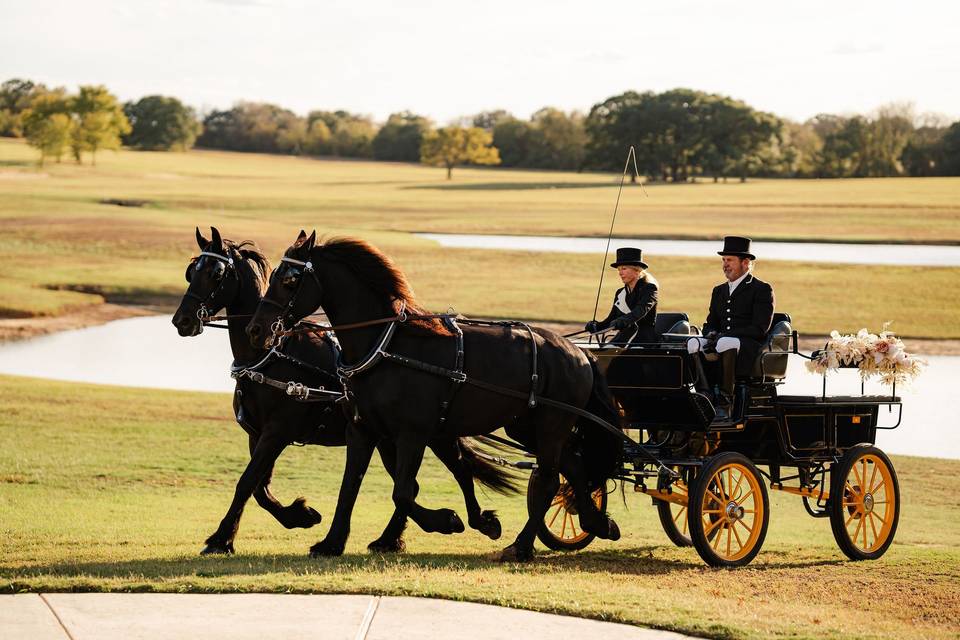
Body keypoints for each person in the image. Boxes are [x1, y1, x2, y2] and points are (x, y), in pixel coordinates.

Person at [688, 236, 775, 418]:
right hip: (722, 340)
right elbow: (711, 321)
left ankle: (725, 400)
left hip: (748, 346)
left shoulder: (761, 289)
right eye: (723, 260)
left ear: (745, 263)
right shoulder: (718, 290)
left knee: (725, 342)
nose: (725, 265)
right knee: (693, 343)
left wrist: (724, 335)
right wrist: (710, 332)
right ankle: (705, 394)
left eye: (729, 260)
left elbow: (760, 328)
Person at [585, 247, 658, 344]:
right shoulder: (620, 293)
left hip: (643, 341)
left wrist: (623, 320)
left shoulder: (649, 289)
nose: (620, 273)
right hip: (624, 339)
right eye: (619, 269)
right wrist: (597, 326)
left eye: (624, 268)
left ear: (637, 270)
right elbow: (611, 319)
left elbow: (640, 311)